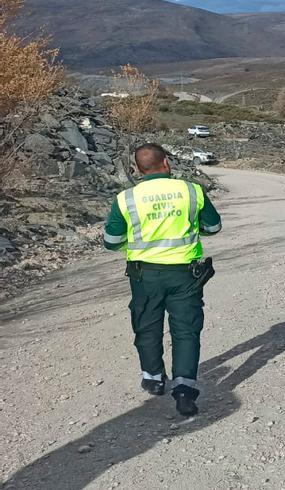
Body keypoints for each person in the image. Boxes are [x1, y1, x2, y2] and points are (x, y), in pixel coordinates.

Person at [103, 143, 221, 416]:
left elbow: (111, 242)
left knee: (146, 325)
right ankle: (184, 391)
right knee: (186, 330)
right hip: (185, 274)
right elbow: (213, 227)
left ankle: (154, 378)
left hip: (144, 275)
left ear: (136, 169)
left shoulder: (126, 199)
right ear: (166, 163)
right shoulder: (192, 191)